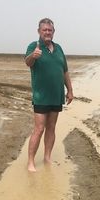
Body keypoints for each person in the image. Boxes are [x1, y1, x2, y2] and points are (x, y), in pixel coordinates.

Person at [25, 18, 73, 172]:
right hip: (41, 96)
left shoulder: (58, 48)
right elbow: (27, 63)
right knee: (39, 129)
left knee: (51, 127)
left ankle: (47, 157)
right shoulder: (34, 46)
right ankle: (31, 162)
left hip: (56, 95)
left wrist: (70, 90)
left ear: (53, 32)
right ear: (39, 31)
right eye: (44, 30)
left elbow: (64, 71)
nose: (47, 32)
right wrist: (34, 55)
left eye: (50, 30)